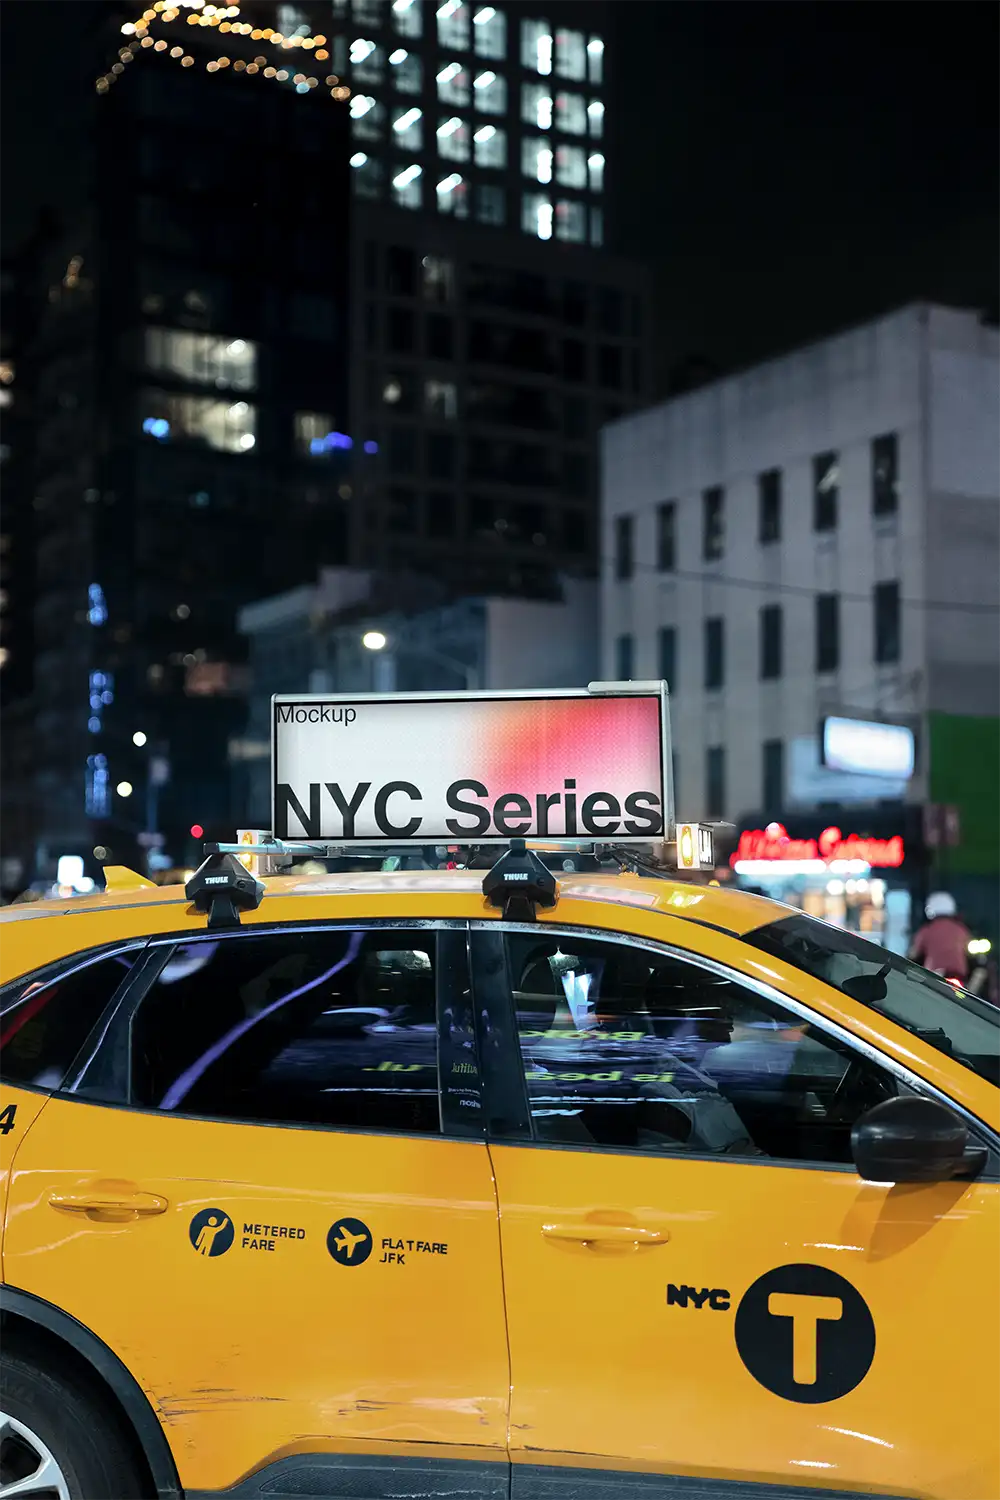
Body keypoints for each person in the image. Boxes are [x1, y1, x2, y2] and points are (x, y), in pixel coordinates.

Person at [909, 892, 972, 982]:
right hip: (959, 975)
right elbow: (969, 951)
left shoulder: (926, 930)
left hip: (934, 975)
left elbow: (914, 954)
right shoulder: (961, 930)